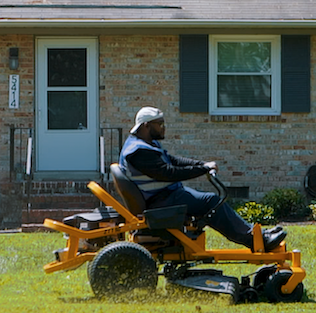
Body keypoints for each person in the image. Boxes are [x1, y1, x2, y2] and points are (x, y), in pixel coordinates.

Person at [118, 106, 286, 251]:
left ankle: (256, 233)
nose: (164, 128)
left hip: (167, 196)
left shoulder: (146, 143)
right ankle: (254, 240)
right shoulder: (139, 151)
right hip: (161, 202)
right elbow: (169, 173)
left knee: (210, 201)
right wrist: (202, 169)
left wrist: (202, 164)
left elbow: (172, 160)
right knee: (211, 202)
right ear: (146, 126)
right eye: (160, 124)